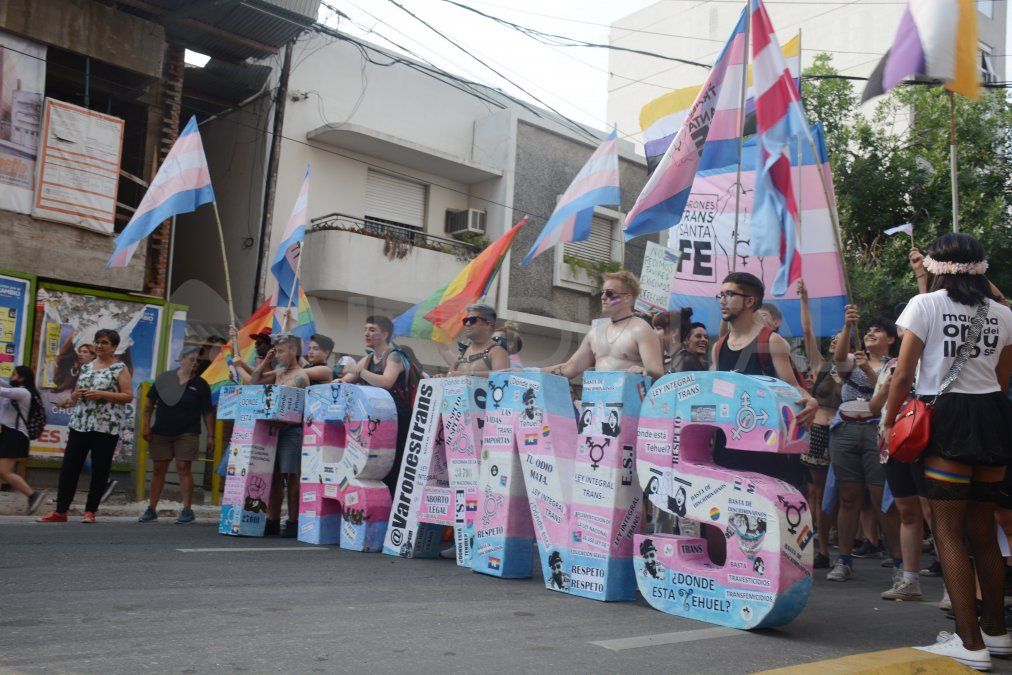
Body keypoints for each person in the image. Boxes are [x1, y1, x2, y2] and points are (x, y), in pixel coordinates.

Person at [882, 233, 1012, 670]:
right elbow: (1004, 377)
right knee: (983, 530)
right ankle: (996, 632)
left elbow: (902, 376)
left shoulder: (925, 305)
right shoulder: (1001, 313)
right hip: (992, 415)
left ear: (938, 266)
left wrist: (887, 421)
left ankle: (968, 642)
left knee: (948, 531)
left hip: (948, 416)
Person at [710, 273, 818, 482]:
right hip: (725, 447)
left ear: (750, 301)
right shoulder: (719, 347)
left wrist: (812, 402)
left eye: (730, 294)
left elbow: (791, 388)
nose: (722, 300)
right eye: (721, 295)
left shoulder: (771, 341)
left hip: (764, 450)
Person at [825, 305, 902, 582]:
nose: (870, 333)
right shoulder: (851, 359)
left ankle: (899, 564)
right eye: (867, 330)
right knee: (848, 499)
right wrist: (847, 325)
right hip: (845, 430)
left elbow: (888, 392)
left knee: (882, 500)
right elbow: (837, 358)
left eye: (878, 331)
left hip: (876, 432)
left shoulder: (895, 364)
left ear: (891, 339)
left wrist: (868, 369)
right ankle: (843, 560)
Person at [39, 329, 133, 523]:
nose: (99, 345)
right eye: (98, 342)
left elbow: (127, 396)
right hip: (80, 422)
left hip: (105, 426)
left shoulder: (119, 368)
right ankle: (60, 511)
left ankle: (90, 511)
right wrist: (74, 396)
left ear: (114, 347)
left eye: (105, 342)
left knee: (100, 469)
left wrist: (102, 394)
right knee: (69, 467)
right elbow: (76, 393)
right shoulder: (88, 367)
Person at [341, 315, 421, 494]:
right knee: (373, 466)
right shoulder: (369, 359)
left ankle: (393, 511)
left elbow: (386, 382)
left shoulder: (394, 356)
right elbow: (346, 380)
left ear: (385, 335)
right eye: (365, 329)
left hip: (399, 420)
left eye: (372, 330)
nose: (366, 334)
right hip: (376, 422)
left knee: (393, 467)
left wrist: (360, 372)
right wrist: (336, 383)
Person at [137, 345, 214, 524]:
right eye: (192, 360)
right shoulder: (165, 379)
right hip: (161, 432)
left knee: (183, 468)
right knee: (158, 470)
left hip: (188, 432)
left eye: (198, 361)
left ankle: (187, 509)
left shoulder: (201, 385)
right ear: (181, 359)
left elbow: (208, 412)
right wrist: (146, 426)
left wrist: (211, 436)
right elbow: (149, 404)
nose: (195, 364)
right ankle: (152, 509)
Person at [796, 279, 842, 569]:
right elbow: (808, 332)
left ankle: (832, 546)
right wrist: (804, 300)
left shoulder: (857, 372)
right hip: (817, 432)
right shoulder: (822, 366)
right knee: (815, 491)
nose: (837, 343)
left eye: (843, 340)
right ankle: (818, 547)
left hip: (843, 433)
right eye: (834, 340)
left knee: (838, 494)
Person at [546, 270, 663, 379]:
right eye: (602, 292)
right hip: (597, 399)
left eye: (610, 293)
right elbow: (569, 368)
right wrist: (533, 371)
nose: (603, 297)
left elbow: (657, 372)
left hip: (628, 399)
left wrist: (642, 370)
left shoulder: (641, 329)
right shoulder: (595, 333)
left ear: (627, 298)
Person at [251, 333, 309, 537]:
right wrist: (267, 360)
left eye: (282, 351)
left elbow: (287, 399)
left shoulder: (300, 375)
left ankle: (293, 521)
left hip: (292, 431)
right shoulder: (278, 372)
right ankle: (272, 520)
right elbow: (254, 380)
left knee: (292, 477)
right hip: (274, 430)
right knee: (274, 477)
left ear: (294, 350)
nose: (279, 355)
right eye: (277, 351)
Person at [0, 366, 46, 514]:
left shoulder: (23, 393)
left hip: (15, 435)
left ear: (21, 378)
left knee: (4, 472)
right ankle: (32, 495)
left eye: (14, 374)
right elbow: (3, 384)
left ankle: (33, 495)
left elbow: (3, 390)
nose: (11, 377)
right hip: (8, 434)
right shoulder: (17, 390)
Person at [443, 304, 509, 376]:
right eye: (465, 320)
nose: (467, 324)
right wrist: (440, 378)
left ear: (487, 324)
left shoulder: (497, 352)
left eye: (472, 320)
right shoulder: (462, 354)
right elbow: (449, 379)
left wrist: (467, 374)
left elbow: (501, 378)